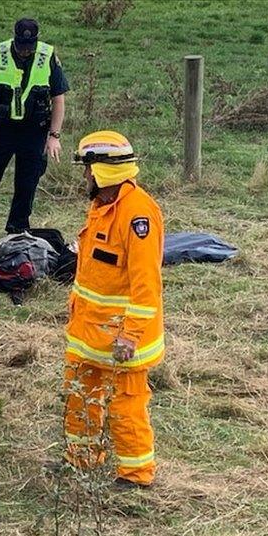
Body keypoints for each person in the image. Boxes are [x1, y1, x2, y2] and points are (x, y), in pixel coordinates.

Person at [63, 130, 164, 489]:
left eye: (88, 169)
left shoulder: (138, 215)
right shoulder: (103, 206)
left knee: (127, 405)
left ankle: (136, 477)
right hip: (89, 333)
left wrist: (130, 335)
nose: (85, 176)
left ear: (103, 171)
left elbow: (146, 285)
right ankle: (81, 461)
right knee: (80, 394)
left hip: (123, 340)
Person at [0, 18, 69, 240]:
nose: (25, 51)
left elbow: (58, 98)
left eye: (29, 47)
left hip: (34, 130)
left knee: (28, 181)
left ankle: (17, 228)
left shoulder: (47, 56)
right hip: (1, 128)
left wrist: (54, 136)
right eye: (21, 46)